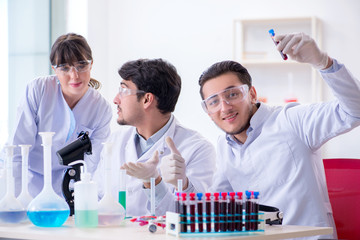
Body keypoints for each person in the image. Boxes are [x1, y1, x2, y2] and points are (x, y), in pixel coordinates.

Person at [198, 32, 360, 239]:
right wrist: (174, 183)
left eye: (232, 94)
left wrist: (322, 62)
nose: (224, 107)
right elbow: (216, 207)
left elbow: (355, 111)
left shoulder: (292, 120)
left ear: (252, 94)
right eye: (213, 101)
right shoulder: (224, 145)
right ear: (208, 112)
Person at [93, 58, 216, 217]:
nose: (116, 99)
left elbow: (195, 216)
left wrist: (156, 182)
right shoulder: (114, 142)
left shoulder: (198, 149)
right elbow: (96, 199)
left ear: (146, 99)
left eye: (123, 90)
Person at [1, 33, 112, 198]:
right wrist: (14, 201)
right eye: (65, 68)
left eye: (81, 65)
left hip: (68, 187)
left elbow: (92, 165)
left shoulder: (101, 108)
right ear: (54, 69)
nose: (74, 75)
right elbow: (18, 151)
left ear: (91, 64)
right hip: (26, 180)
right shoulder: (39, 90)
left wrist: (82, 202)